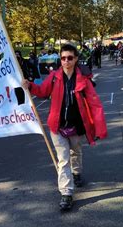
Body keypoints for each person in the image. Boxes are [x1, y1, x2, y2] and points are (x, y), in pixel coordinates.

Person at [22, 44, 107, 211]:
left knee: (76, 151)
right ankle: (66, 194)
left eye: (69, 58)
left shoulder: (84, 79)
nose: (66, 61)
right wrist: (30, 85)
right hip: (57, 126)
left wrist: (99, 129)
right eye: (63, 58)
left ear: (75, 59)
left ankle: (77, 173)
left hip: (76, 126)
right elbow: (42, 92)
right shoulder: (54, 77)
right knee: (63, 159)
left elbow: (95, 104)